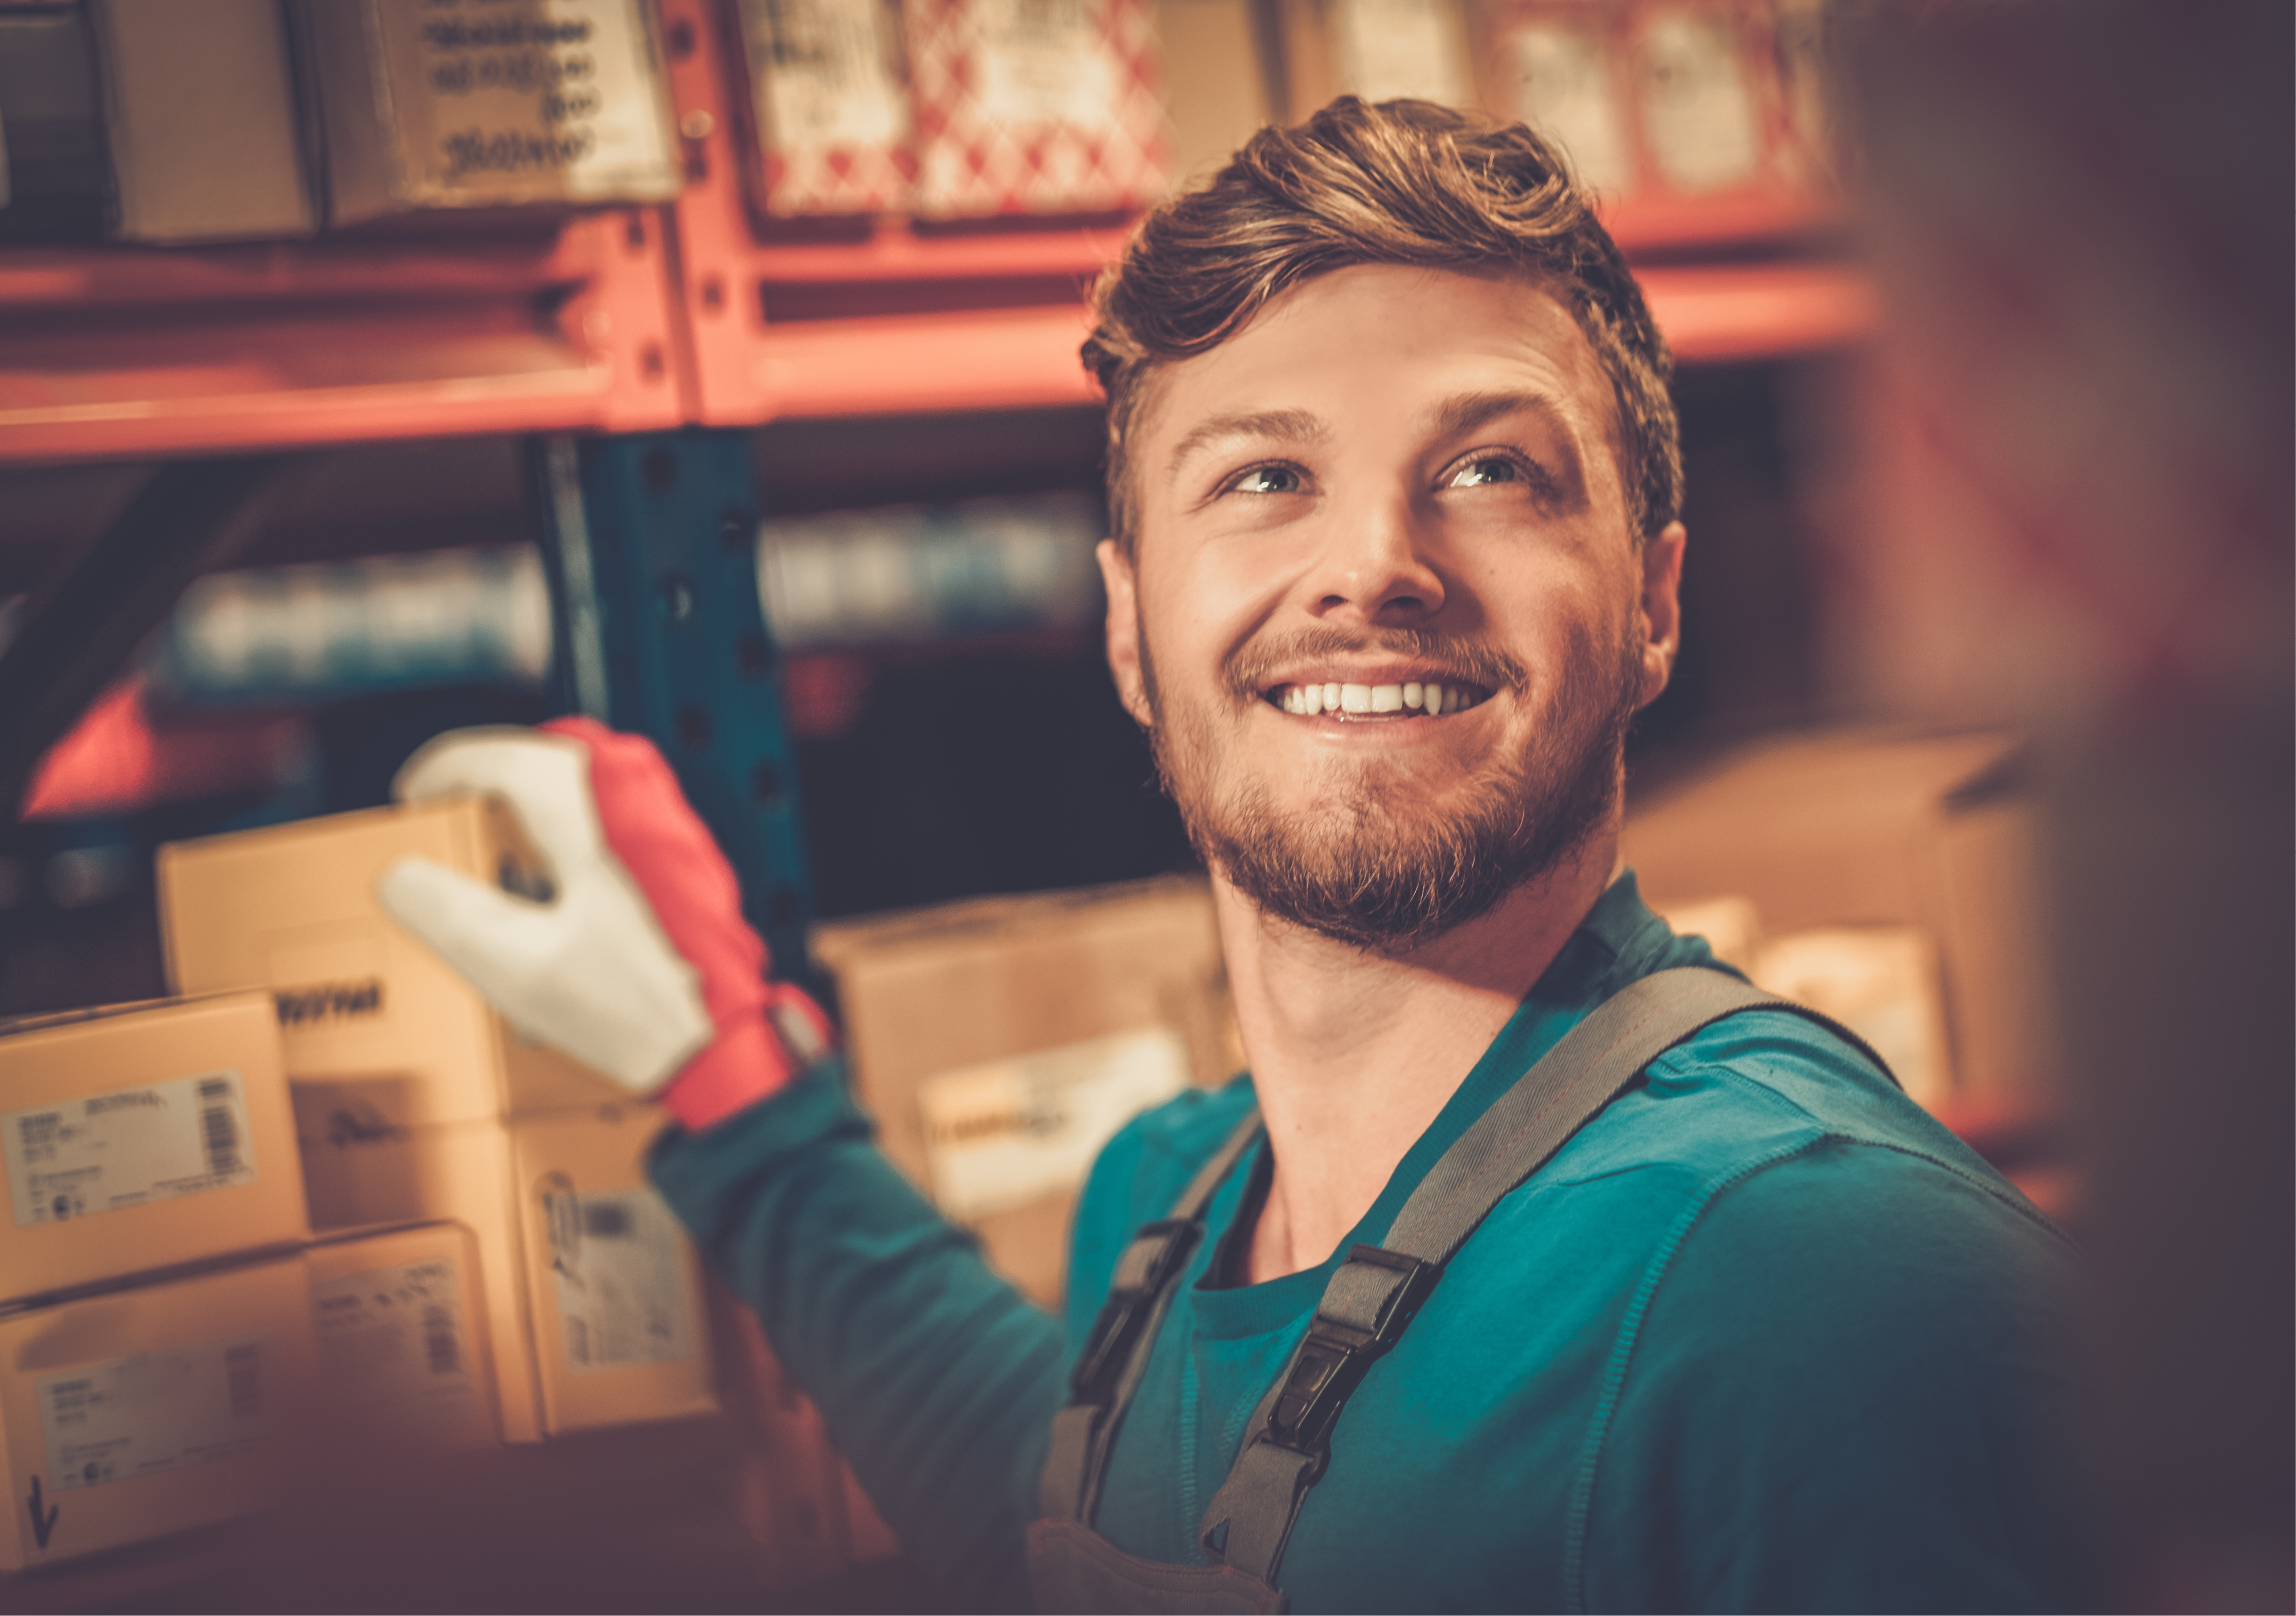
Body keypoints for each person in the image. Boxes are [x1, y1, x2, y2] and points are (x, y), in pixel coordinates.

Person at [377, 99, 2087, 1613]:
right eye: (1265, 475)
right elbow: (1069, 1518)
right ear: (1131, 626)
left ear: (1653, 601)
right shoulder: (1168, 1209)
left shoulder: (1813, 1286)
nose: (1374, 565)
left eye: (1493, 469)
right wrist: (732, 1088)